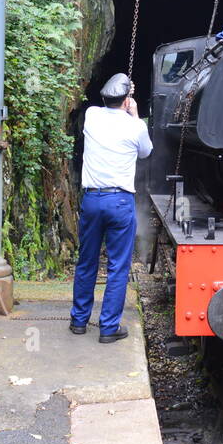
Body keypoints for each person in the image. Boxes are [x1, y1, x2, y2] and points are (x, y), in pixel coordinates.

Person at [70, 72, 152, 342]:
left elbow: (102, 110)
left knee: (87, 261)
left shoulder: (92, 115)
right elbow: (145, 152)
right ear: (126, 99)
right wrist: (135, 113)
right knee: (118, 266)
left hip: (92, 199)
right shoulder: (136, 127)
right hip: (119, 201)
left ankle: (79, 321)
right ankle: (108, 328)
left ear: (104, 97)